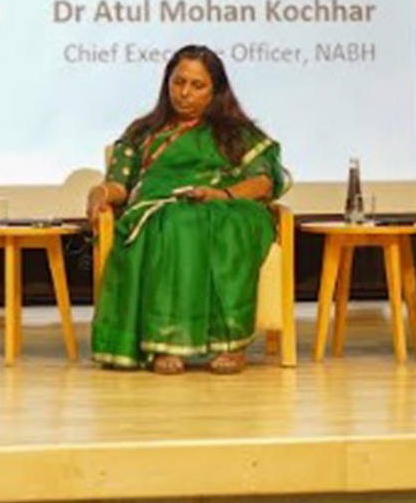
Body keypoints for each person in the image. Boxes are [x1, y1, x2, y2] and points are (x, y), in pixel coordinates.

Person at [88, 45, 287, 374]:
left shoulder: (236, 133)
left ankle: (232, 344)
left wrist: (220, 194)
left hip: (229, 208)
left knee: (217, 226)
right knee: (176, 222)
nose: (185, 93)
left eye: (198, 86)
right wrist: (100, 191)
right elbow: (120, 185)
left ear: (216, 91)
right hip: (163, 211)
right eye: (178, 82)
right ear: (167, 82)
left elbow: (263, 183)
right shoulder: (144, 132)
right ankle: (166, 343)